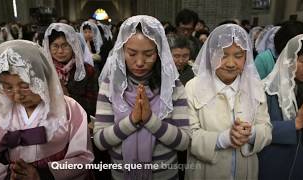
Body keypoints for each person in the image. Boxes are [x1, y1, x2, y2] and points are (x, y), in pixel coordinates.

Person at [94, 15, 190, 180]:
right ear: (121, 50)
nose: (139, 62)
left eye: (148, 54)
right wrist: (132, 120)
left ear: (159, 52)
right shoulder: (111, 85)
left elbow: (184, 142)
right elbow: (100, 141)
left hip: (164, 176)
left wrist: (150, 120)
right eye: (131, 53)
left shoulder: (173, 86)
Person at [0, 40, 94, 180]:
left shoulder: (69, 108)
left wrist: (44, 175)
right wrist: (8, 174)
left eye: (25, 86)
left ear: (42, 77)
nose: (17, 95)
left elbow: (83, 157)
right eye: (8, 87)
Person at [185, 24, 272, 180]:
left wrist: (250, 134)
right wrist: (223, 139)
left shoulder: (255, 86)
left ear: (246, 57)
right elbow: (187, 135)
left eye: (238, 56)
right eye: (223, 55)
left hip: (245, 171)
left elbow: (266, 128)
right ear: (211, 55)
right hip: (205, 172)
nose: (231, 63)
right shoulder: (193, 87)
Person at [258, 33, 303, 180]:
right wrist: (297, 123)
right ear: (288, 60)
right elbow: (252, 131)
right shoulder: (265, 90)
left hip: (301, 169)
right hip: (270, 168)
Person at [43, 23, 99, 122]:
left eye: (65, 46)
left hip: (79, 122)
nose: (60, 51)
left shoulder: (87, 71)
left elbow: (93, 105)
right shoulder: (44, 70)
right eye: (55, 46)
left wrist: (67, 96)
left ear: (73, 46)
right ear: (48, 47)